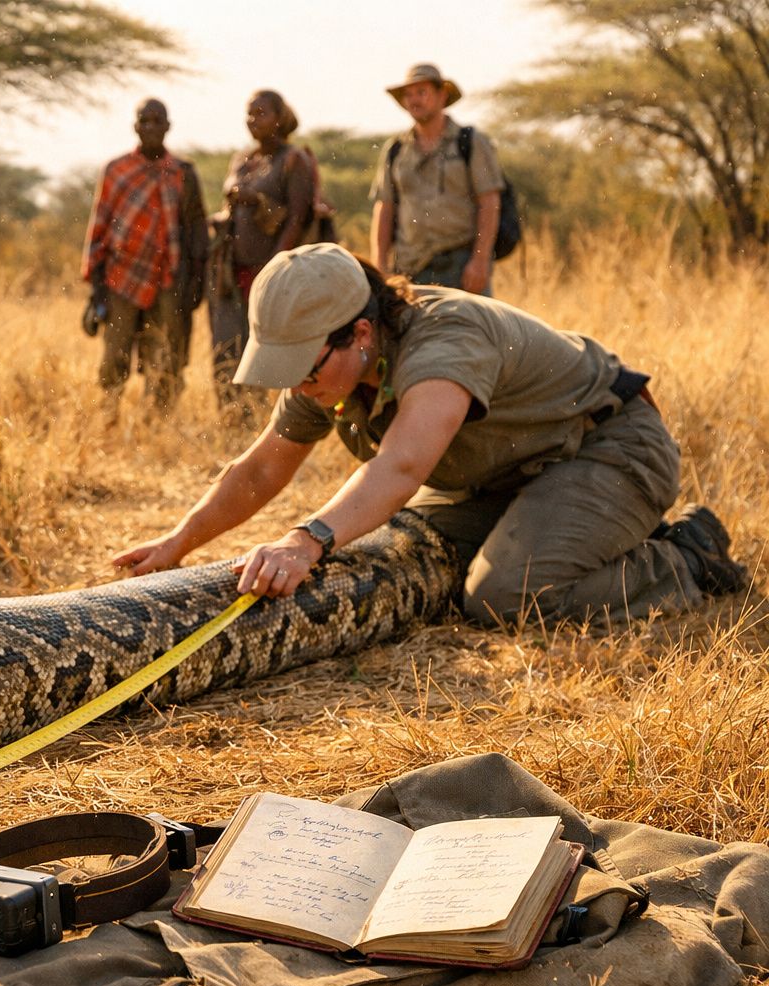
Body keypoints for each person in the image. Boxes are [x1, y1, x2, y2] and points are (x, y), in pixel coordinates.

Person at [114, 243, 746, 628]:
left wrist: (305, 541)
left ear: (359, 335)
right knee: (405, 546)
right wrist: (177, 543)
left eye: (305, 368)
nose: (298, 386)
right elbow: (259, 471)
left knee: (504, 596)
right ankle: (577, 536)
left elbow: (402, 467)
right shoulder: (332, 371)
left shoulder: (445, 340)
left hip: (607, 449)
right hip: (507, 474)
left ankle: (686, 556)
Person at [82, 98, 207, 417]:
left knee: (167, 354)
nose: (151, 127)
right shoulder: (117, 170)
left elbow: (195, 229)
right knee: (115, 354)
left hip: (169, 277)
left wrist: (196, 283)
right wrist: (97, 288)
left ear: (168, 127)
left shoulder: (183, 173)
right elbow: (100, 226)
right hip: (121, 277)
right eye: (145, 121)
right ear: (135, 127)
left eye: (157, 121)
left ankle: (158, 423)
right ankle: (108, 415)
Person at [207, 90, 315, 415]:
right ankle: (232, 420)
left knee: (265, 351)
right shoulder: (242, 158)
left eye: (261, 113)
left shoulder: (293, 160)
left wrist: (274, 268)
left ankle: (271, 423)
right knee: (226, 346)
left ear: (279, 118)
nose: (253, 120)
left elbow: (298, 218)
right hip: (230, 268)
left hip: (267, 271)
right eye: (249, 113)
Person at [370, 63, 503, 296]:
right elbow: (385, 208)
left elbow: (489, 201)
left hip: (461, 263)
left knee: (474, 331)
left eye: (421, 92)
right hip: (412, 267)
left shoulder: (469, 142)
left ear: (442, 95)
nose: (414, 100)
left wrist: (480, 261)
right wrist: (379, 266)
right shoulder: (396, 149)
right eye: (408, 95)